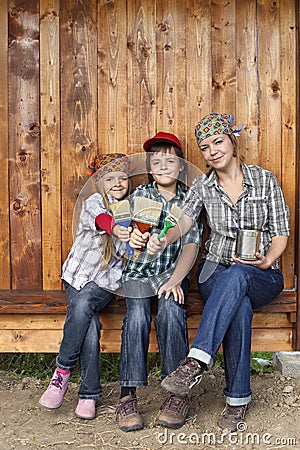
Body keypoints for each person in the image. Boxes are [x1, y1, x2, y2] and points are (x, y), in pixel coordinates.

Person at [146, 113, 290, 432]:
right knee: (235, 299)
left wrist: (266, 261)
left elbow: (281, 232)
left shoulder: (265, 180)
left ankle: (196, 361)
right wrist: (164, 237)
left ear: (232, 142)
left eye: (218, 142)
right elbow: (183, 221)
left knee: (239, 276)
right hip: (215, 272)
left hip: (262, 275)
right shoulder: (203, 185)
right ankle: (237, 402)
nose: (212, 151)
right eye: (205, 146)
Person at [115, 132, 202, 431]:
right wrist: (132, 240)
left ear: (180, 167)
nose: (163, 166)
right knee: (137, 317)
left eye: (169, 161)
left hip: (171, 275)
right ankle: (127, 395)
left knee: (171, 311)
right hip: (138, 273)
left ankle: (176, 394)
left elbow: (191, 244)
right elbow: (122, 235)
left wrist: (177, 281)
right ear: (150, 168)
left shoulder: (189, 202)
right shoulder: (138, 196)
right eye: (156, 162)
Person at [39, 153, 133, 420]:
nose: (117, 183)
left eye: (122, 178)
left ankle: (62, 372)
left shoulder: (131, 209)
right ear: (100, 181)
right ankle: (87, 392)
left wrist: (133, 238)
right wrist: (116, 228)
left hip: (104, 283)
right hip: (77, 276)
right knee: (88, 322)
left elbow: (129, 251)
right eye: (111, 178)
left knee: (83, 305)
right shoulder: (93, 202)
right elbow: (102, 221)